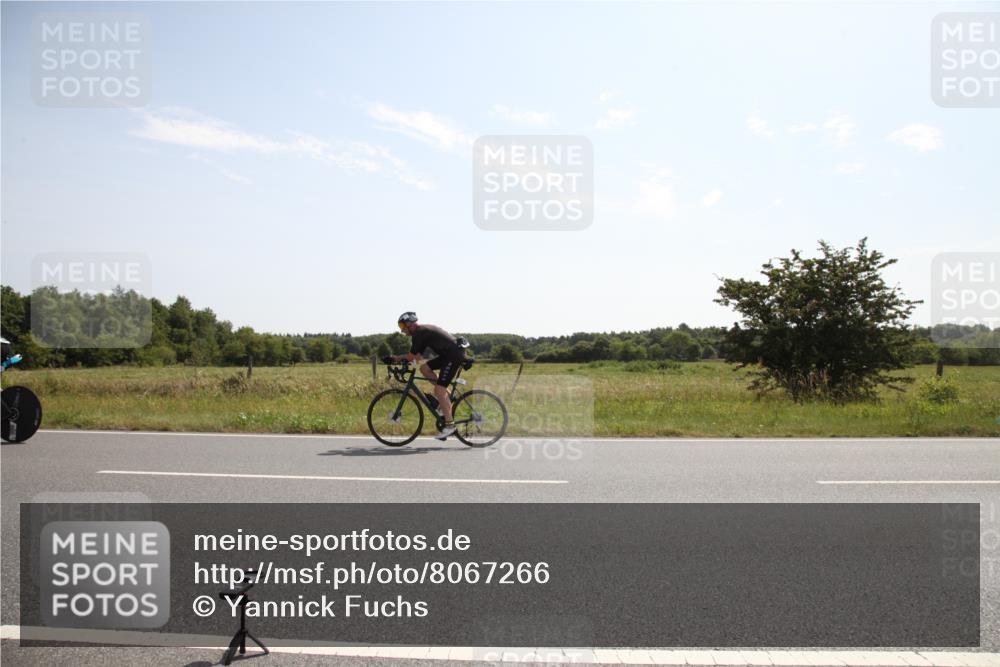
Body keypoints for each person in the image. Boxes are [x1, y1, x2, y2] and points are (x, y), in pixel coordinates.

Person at [389, 312, 465, 439]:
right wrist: (407, 366)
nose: (402, 330)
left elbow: (411, 357)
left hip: (453, 355)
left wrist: (395, 359)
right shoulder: (421, 333)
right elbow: (417, 359)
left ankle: (450, 426)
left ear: (409, 324)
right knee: (425, 369)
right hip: (449, 355)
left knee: (439, 390)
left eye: (402, 326)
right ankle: (446, 400)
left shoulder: (420, 333)